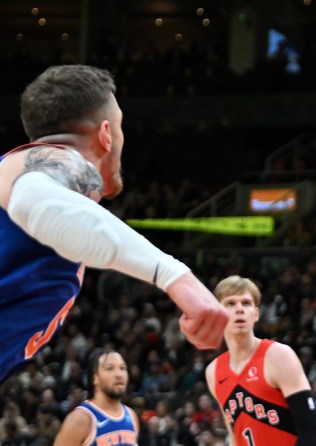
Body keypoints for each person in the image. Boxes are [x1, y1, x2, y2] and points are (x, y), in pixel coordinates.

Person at [0, 65, 228, 384]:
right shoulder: (64, 163)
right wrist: (176, 276)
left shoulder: (14, 168)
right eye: (121, 128)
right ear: (106, 134)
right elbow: (34, 198)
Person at [205, 276, 316, 446]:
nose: (239, 309)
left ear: (256, 314)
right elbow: (235, 439)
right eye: (230, 303)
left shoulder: (278, 356)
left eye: (246, 303)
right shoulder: (213, 371)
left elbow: (312, 431)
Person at [52, 349, 138, 446]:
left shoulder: (131, 416)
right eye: (110, 368)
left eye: (122, 368)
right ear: (95, 378)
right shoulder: (80, 419)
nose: (119, 374)